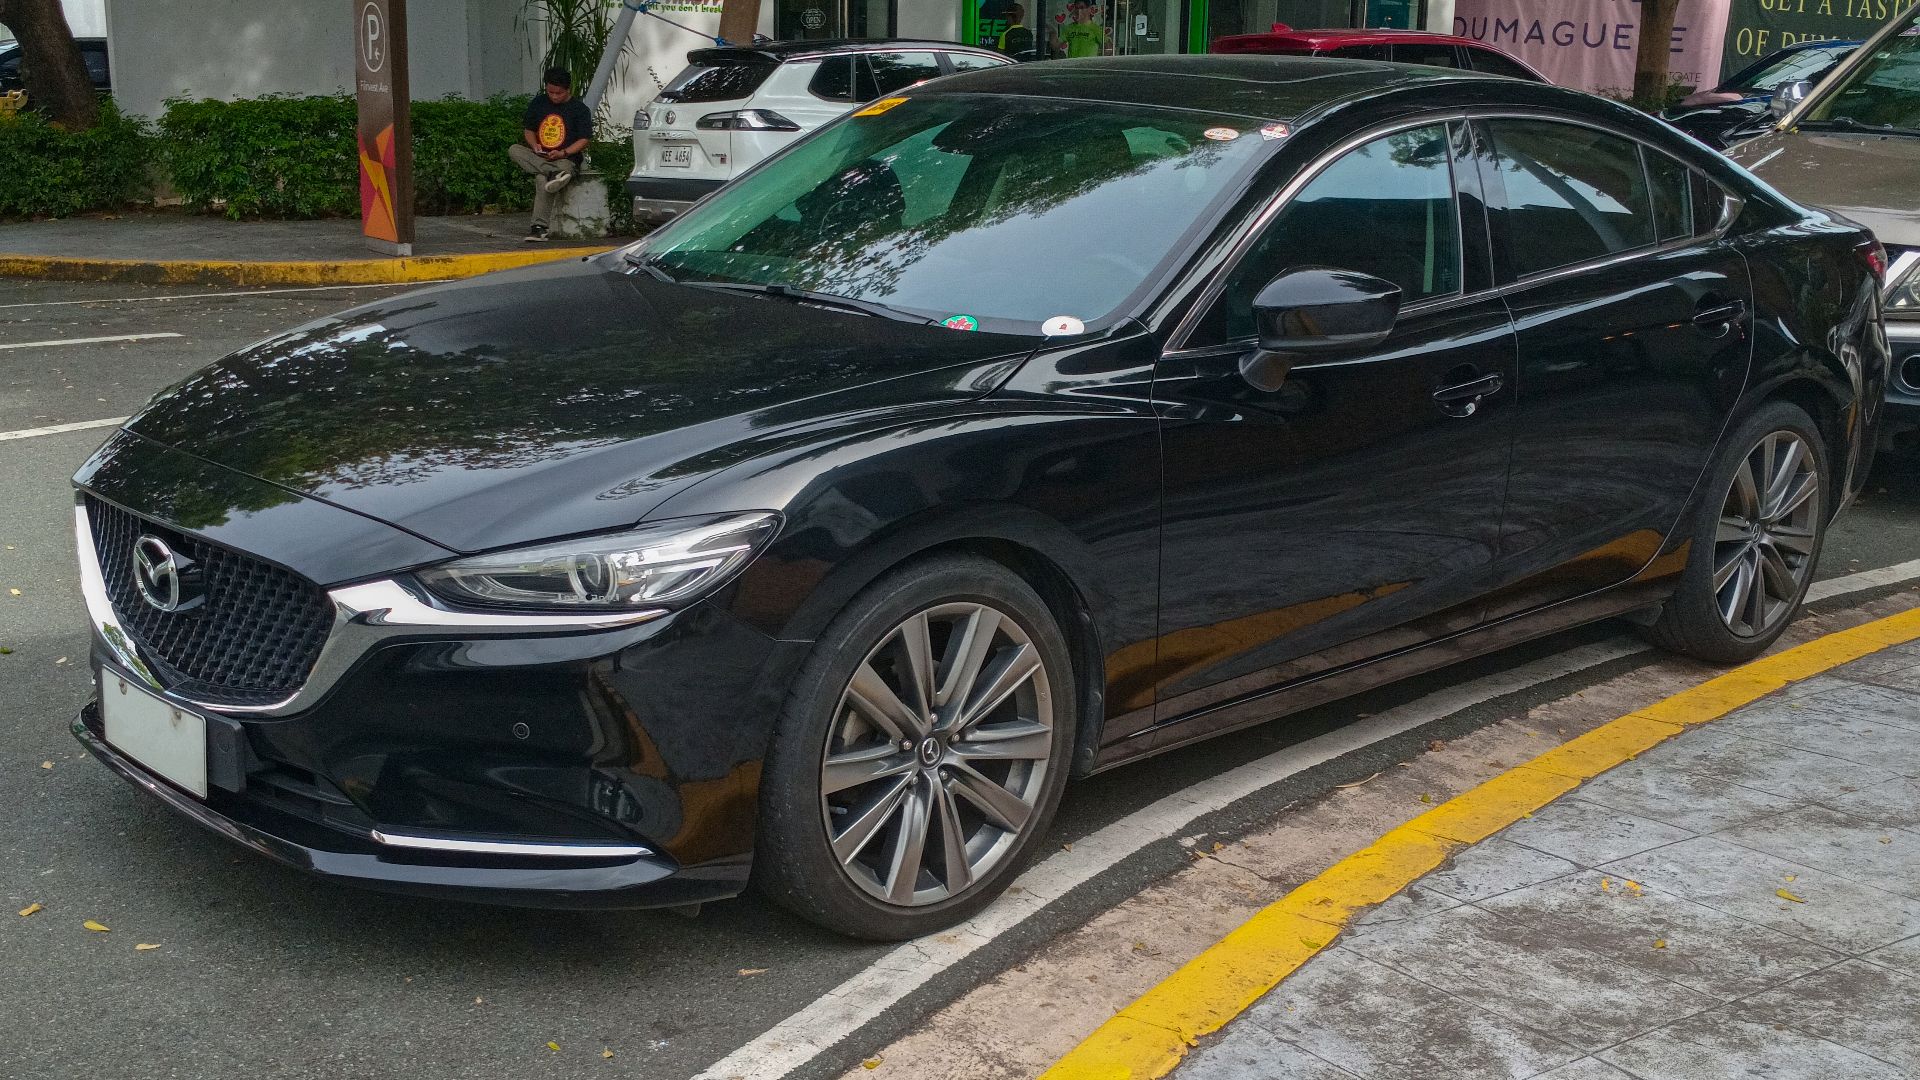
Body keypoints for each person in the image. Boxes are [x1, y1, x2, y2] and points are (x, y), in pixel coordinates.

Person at [509, 67, 593, 242]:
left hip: (565, 159)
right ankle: (551, 172)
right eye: (550, 92)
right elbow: (529, 130)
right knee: (514, 150)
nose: (554, 96)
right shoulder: (539, 103)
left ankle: (538, 228)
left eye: (559, 93)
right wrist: (535, 146)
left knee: (542, 179)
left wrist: (563, 152)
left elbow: (584, 139)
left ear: (568, 90)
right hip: (540, 156)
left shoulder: (579, 109)